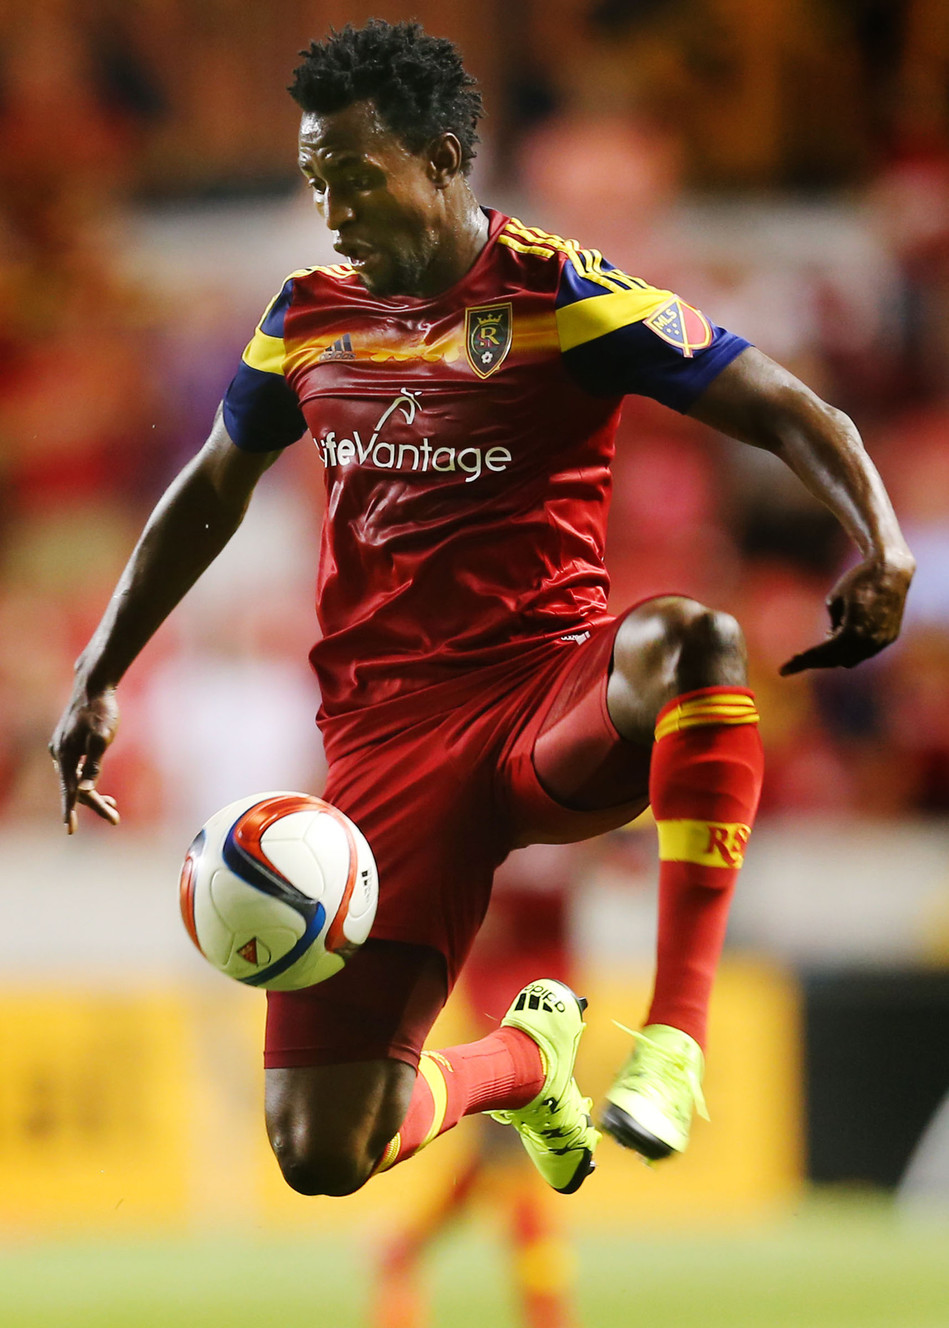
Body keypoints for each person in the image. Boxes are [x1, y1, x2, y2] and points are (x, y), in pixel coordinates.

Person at [50, 20, 914, 1202]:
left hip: (544, 701)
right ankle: (525, 1057)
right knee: (321, 1148)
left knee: (695, 640)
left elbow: (781, 404)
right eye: (317, 180)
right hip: (383, 747)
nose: (333, 205)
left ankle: (674, 1035)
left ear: (445, 156)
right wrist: (100, 668)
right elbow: (210, 487)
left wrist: (884, 536)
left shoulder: (561, 293)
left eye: (355, 175)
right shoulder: (303, 314)